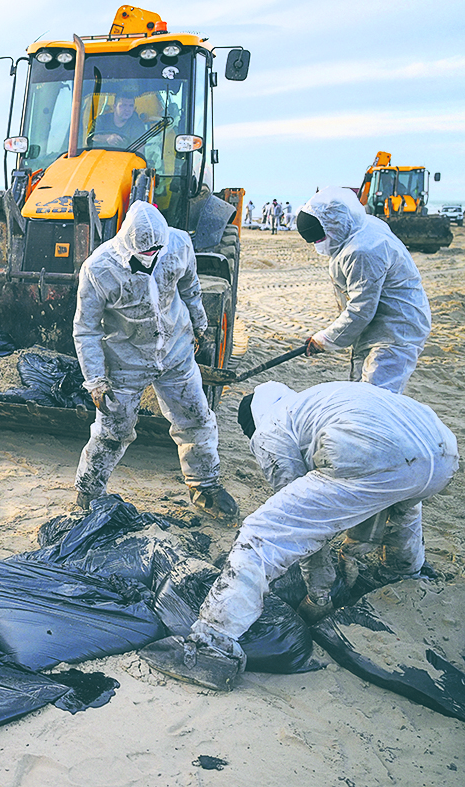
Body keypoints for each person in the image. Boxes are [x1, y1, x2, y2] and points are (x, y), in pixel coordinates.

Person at [142, 381, 458, 690]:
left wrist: (319, 595)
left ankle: (211, 644)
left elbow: (302, 533)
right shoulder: (314, 402)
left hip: (374, 451)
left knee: (261, 535)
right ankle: (404, 574)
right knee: (402, 509)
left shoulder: (271, 428)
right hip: (440, 451)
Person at [73, 201, 237, 518]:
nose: (150, 257)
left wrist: (200, 323)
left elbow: (190, 286)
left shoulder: (179, 244)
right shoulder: (98, 269)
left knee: (196, 419)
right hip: (126, 360)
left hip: (176, 352)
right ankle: (89, 493)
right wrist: (95, 379)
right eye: (142, 253)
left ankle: (206, 486)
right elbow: (86, 329)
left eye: (155, 252)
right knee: (112, 430)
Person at [295, 187, 431, 394]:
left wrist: (324, 340)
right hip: (378, 324)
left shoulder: (363, 250)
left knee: (376, 396)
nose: (318, 246)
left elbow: (361, 309)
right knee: (359, 390)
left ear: (334, 225)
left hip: (396, 329)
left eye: (319, 240)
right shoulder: (362, 226)